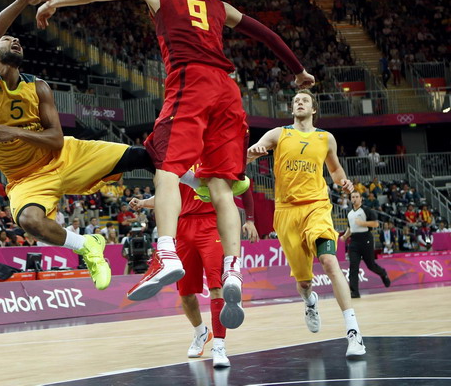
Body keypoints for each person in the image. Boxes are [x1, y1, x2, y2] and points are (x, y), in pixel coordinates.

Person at [36, 0, 314, 318]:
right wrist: (298, 71)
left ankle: (165, 254)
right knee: (221, 187)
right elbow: (266, 34)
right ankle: (233, 269)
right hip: (228, 91)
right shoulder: (218, 4)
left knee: (165, 167)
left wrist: (56, 3)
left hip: (192, 80)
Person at [0, 0, 159, 291]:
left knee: (142, 156)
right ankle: (87, 245)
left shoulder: (39, 87)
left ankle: (194, 187)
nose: (15, 39)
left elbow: (56, 139)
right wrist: (22, 0)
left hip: (63, 156)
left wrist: (14, 132)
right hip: (25, 178)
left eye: (17, 39)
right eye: (8, 39)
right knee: (29, 221)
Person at [247, 89, 366, 357]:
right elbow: (248, 156)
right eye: (296, 101)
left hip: (317, 207)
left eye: (305, 101)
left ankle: (353, 332)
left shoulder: (326, 138)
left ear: (313, 110)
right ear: (292, 109)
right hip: (286, 212)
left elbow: (335, 170)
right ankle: (309, 300)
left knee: (329, 262)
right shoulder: (278, 134)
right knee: (304, 282)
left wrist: (342, 181)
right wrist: (254, 152)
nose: (299, 103)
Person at [130, 171, 257, 368]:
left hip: (212, 223)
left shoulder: (215, 156)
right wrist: (144, 202)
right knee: (186, 292)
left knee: (217, 288)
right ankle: (201, 332)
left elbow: (245, 184)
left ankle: (219, 345)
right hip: (184, 226)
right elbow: (168, 195)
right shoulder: (179, 159)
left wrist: (250, 219)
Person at [342, 191, 391, 298]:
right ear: (351, 199)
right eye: (353, 197)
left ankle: (383, 273)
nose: (354, 198)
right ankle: (354, 292)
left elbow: (376, 223)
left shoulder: (366, 210)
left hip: (366, 239)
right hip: (354, 240)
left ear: (360, 199)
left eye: (356, 197)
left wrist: (363, 223)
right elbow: (350, 228)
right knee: (353, 266)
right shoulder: (349, 213)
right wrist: (344, 237)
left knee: (371, 265)